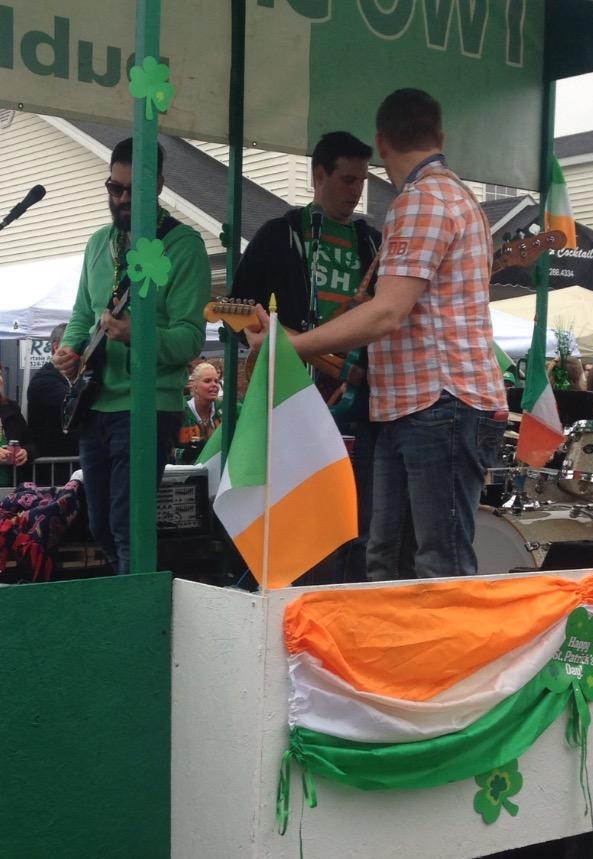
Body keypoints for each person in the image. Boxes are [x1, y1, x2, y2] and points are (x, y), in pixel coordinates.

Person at [248, 88, 508, 580]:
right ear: (441, 136)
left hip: (436, 402)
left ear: (381, 142)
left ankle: (441, 658)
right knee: (388, 559)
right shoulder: (461, 198)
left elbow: (386, 312)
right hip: (420, 404)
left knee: (434, 564)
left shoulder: (420, 202)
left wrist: (289, 343)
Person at [53, 137, 211, 574]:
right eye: (113, 188)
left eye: (131, 191)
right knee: (101, 525)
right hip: (96, 402)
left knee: (128, 527)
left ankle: (136, 622)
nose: (121, 199)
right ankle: (127, 606)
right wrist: (70, 349)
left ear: (158, 185)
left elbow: (190, 338)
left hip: (147, 406)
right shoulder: (97, 243)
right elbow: (83, 314)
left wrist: (136, 335)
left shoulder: (183, 245)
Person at [232, 130, 381, 583]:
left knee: (357, 515)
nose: (356, 192)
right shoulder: (281, 234)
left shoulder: (373, 243)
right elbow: (237, 309)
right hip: (296, 397)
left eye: (361, 182)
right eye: (347, 180)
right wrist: (271, 334)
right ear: (319, 175)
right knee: (296, 512)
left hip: (361, 396)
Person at [27, 323, 79, 463]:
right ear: (56, 347)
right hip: (54, 469)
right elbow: (75, 404)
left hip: (70, 465)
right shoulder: (44, 380)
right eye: (74, 343)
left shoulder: (73, 377)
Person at [175, 362, 222, 463]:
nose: (214, 385)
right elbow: (162, 446)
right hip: (184, 475)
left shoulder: (226, 410)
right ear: (195, 387)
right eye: (207, 381)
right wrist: (183, 453)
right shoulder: (178, 411)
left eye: (216, 381)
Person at [0, 367, 32, 486]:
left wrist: (26, 452)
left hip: (11, 490)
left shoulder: (11, 409)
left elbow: (30, 442)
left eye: (0, 374)